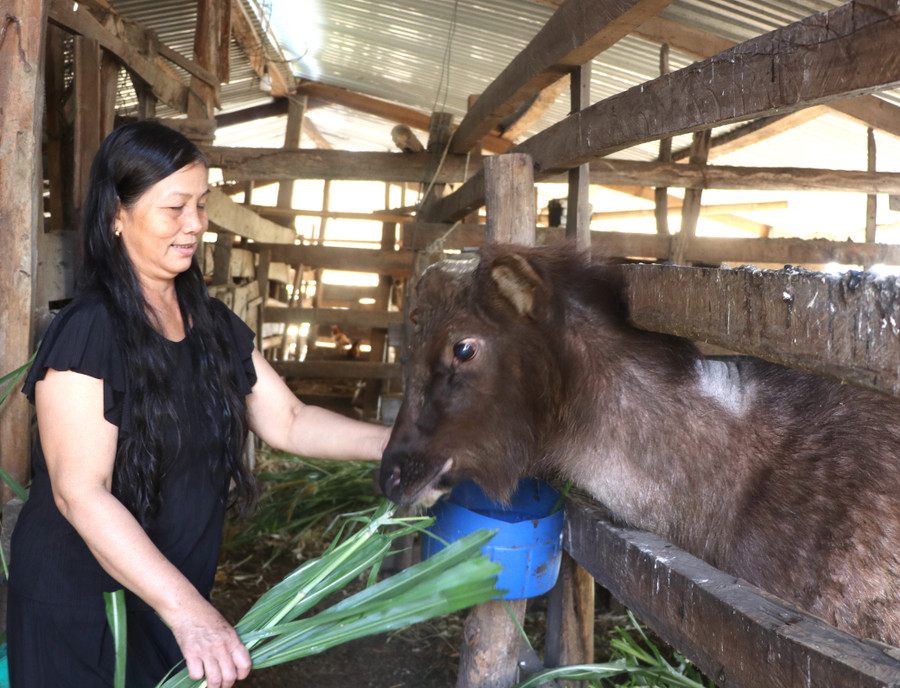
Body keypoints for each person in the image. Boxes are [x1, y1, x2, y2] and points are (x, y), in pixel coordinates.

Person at [7, 121, 392, 688]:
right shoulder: (88, 331)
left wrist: (406, 445)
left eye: (202, 206)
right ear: (118, 213)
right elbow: (79, 492)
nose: (195, 225)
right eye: (175, 208)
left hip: (168, 596)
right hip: (85, 608)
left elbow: (289, 420)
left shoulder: (211, 325)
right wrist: (191, 615)